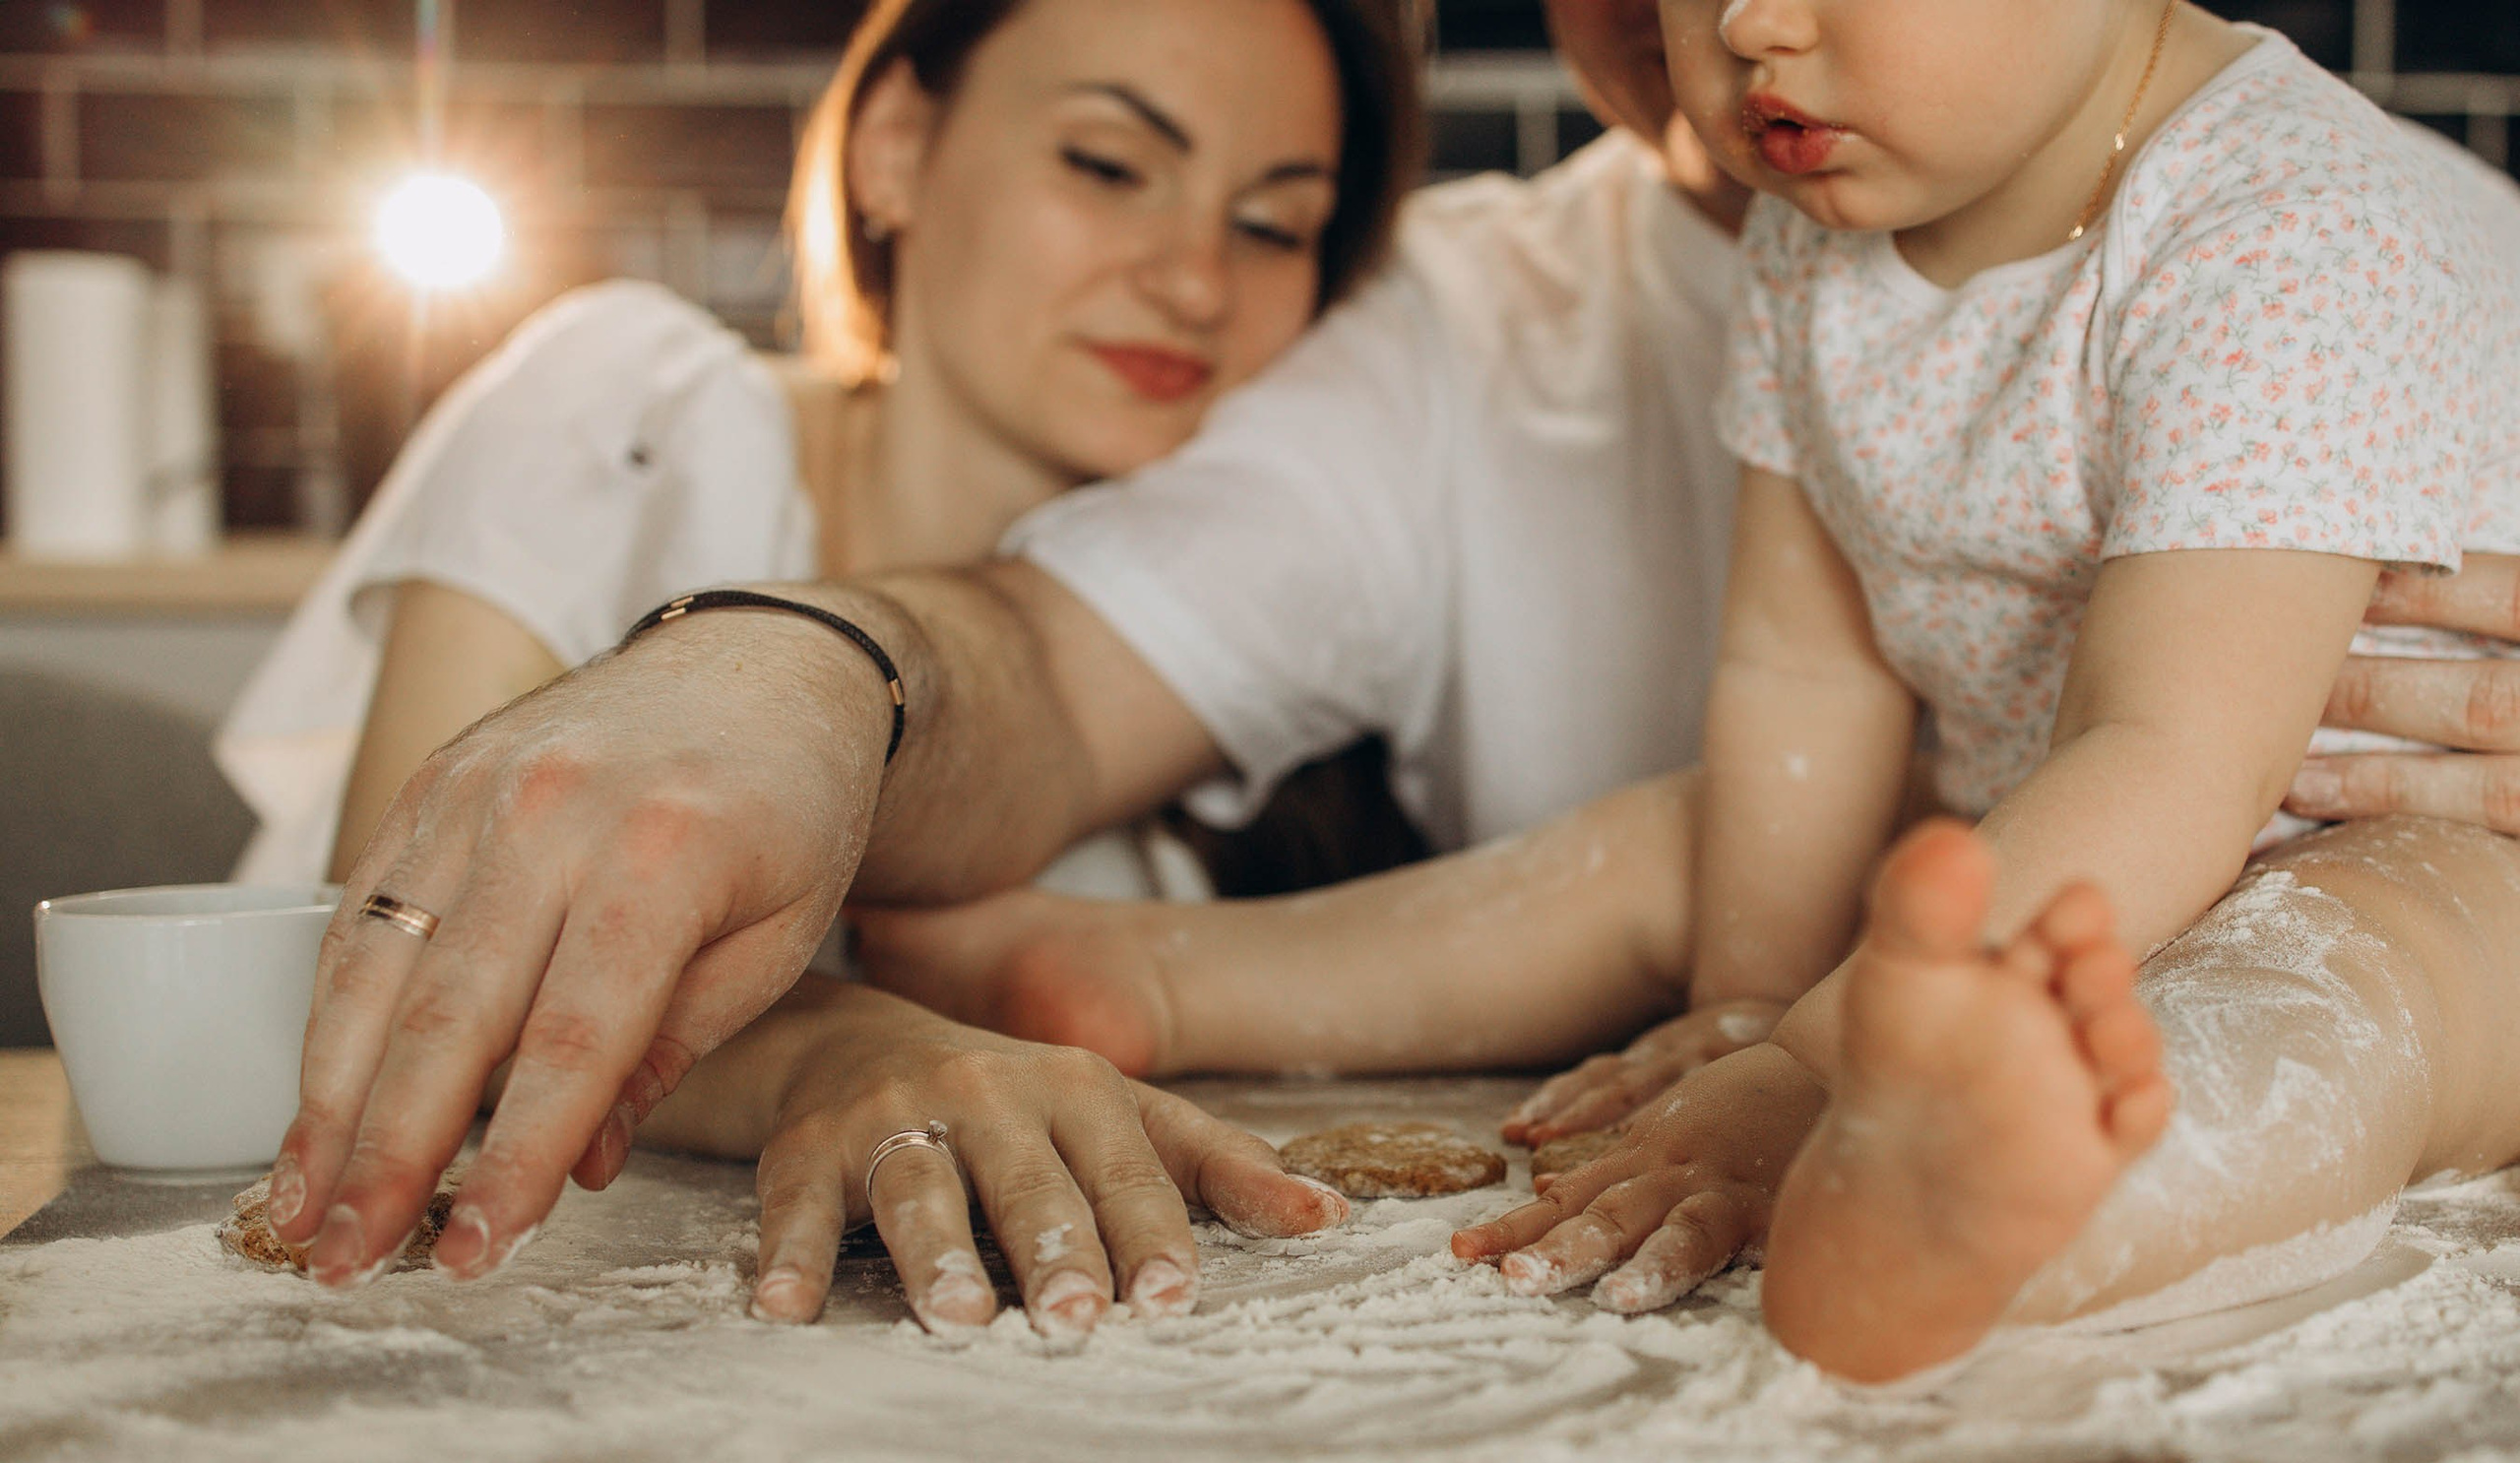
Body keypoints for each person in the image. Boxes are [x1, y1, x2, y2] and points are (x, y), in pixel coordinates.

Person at [257, 0, 2520, 1339]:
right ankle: (1142, 976)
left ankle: (2022, 1205)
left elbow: (2174, 744)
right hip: (2016, 847)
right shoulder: (1760, 254)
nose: (1736, 28)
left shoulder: (2276, 223)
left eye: (1258, 209)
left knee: (2366, 969)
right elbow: (1795, 699)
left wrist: (1811, 1067)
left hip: (2367, 827)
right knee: (1698, 843)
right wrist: (1752, 1022)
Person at [232, 0, 1425, 1324]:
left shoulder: (1248, 652)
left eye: (1272, 225)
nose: (1195, 279)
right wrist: (852, 1049)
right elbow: (427, 937)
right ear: (895, 147)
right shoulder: (633, 409)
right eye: (1107, 166)